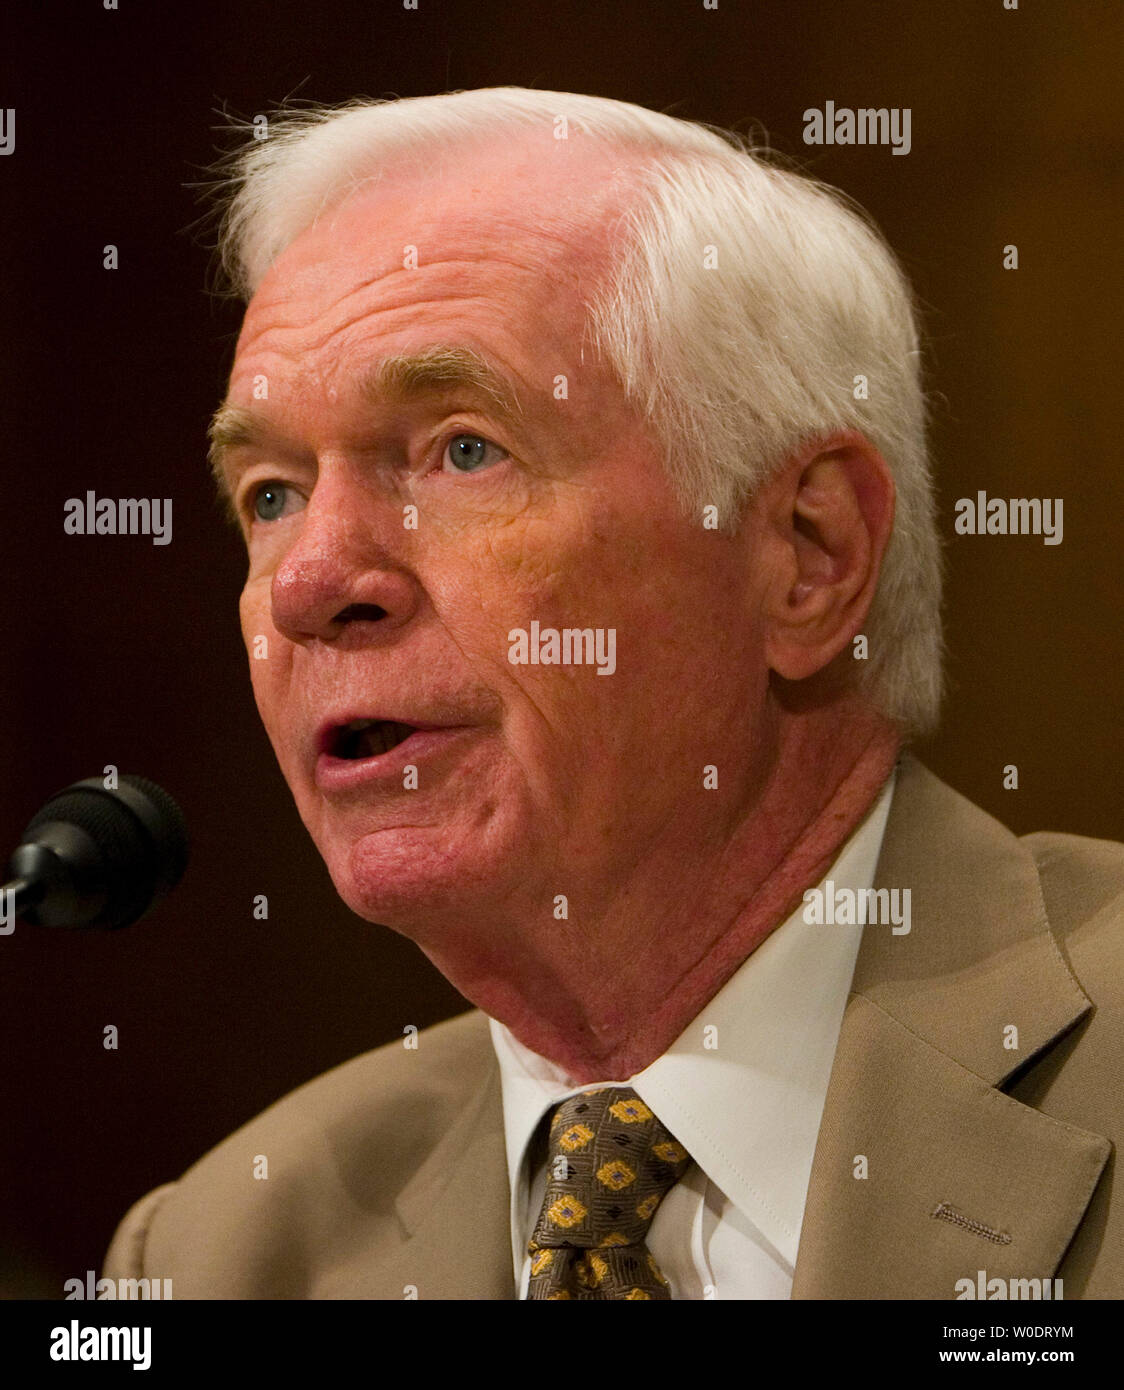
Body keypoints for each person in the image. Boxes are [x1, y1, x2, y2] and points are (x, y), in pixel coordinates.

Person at [104, 88, 1122, 1299]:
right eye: (270, 492)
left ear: (806, 554)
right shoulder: (227, 1254)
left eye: (461, 450)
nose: (309, 583)